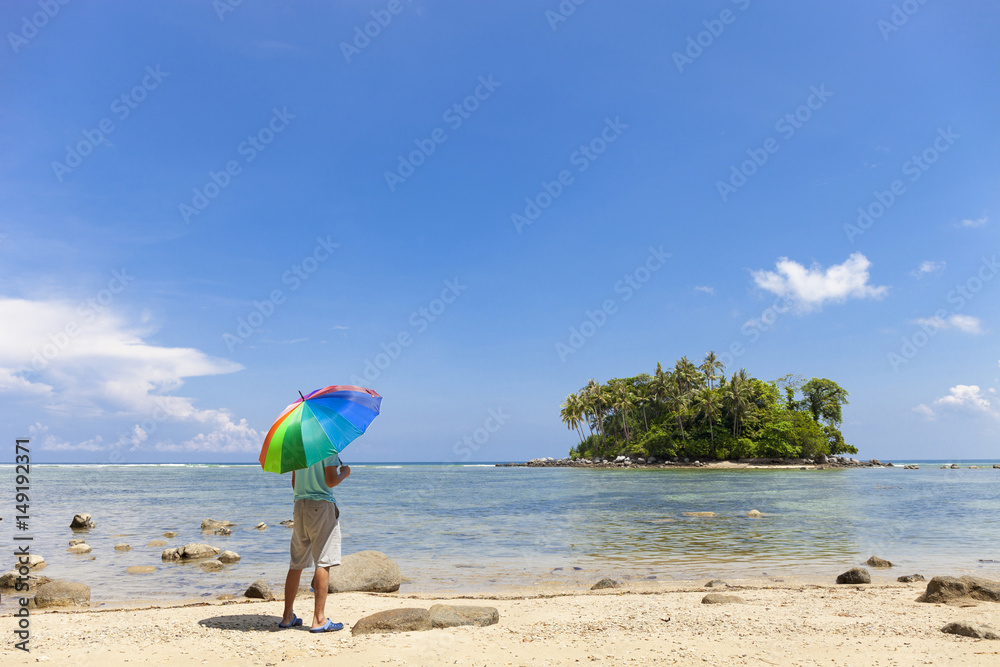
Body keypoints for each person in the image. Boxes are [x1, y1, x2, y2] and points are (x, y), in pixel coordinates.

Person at [279, 452, 350, 632]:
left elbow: (295, 484)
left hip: (299, 506)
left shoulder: (299, 449)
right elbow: (331, 481)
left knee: (296, 563)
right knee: (323, 561)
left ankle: (287, 617)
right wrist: (345, 473)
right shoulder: (327, 449)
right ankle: (319, 619)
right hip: (321, 506)